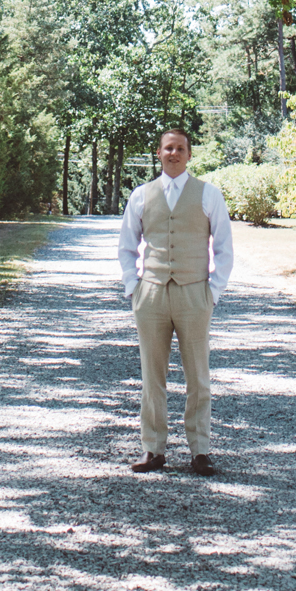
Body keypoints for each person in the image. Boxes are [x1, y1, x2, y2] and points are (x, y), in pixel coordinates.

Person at [116, 126, 234, 475]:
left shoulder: (208, 195)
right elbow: (127, 245)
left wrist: (212, 292)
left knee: (198, 374)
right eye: (168, 148)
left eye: (180, 148)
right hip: (151, 294)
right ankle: (153, 449)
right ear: (159, 153)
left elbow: (224, 248)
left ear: (189, 154)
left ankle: (200, 450)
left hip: (194, 292)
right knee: (152, 376)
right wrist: (132, 288)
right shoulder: (141, 195)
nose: (174, 153)